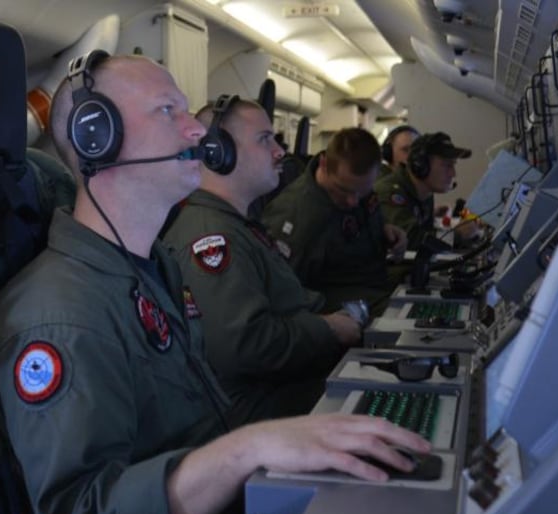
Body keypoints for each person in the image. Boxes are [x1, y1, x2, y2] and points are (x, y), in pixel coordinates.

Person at [0, 53, 430, 514]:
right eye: (168, 110)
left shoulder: (154, 271)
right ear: (96, 138)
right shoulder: (61, 314)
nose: (197, 129)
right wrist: (248, 449)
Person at [162, 96, 361, 425]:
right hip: (256, 413)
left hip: (278, 393)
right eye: (264, 140)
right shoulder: (211, 237)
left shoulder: (235, 225)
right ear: (218, 152)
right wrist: (328, 329)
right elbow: (244, 345)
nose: (280, 151)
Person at [261, 127, 407, 317]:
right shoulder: (297, 218)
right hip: (333, 306)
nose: (353, 201)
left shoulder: (353, 182)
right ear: (323, 164)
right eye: (344, 190)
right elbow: (283, 296)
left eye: (361, 192)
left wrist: (385, 230)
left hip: (372, 282)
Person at [374, 131, 477, 252]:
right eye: (446, 165)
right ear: (421, 165)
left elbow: (425, 234)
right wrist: (456, 235)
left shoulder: (425, 193)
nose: (453, 173)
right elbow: (412, 239)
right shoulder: (390, 192)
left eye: (453, 165)